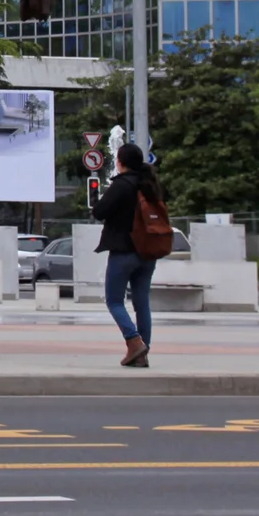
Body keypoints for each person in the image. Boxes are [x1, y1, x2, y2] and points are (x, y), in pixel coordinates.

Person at [95, 142, 166, 367]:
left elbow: (99, 212)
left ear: (120, 162)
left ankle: (134, 342)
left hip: (124, 251)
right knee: (141, 303)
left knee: (114, 301)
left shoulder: (122, 185)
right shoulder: (149, 185)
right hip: (148, 252)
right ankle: (143, 354)